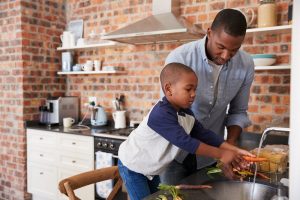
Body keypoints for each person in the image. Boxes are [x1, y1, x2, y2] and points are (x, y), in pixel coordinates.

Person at [118, 63, 253, 200]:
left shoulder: (186, 113)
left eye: (195, 89)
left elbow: (203, 134)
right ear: (169, 89)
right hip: (133, 166)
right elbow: (186, 142)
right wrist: (222, 154)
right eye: (188, 89)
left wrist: (234, 150)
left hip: (150, 169)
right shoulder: (161, 113)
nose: (193, 94)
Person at [160, 8, 255, 184]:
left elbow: (238, 112)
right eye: (221, 47)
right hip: (174, 156)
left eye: (234, 50)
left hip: (210, 158)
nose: (226, 56)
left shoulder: (246, 64)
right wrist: (223, 152)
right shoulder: (180, 58)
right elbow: (171, 116)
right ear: (209, 33)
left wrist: (231, 146)